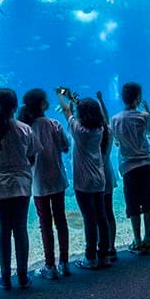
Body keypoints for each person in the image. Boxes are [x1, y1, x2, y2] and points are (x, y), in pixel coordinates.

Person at [0, 88, 42, 290]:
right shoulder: (25, 129)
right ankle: (23, 277)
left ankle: (5, 277)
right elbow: (32, 155)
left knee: (3, 231)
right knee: (20, 229)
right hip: (21, 186)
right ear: (16, 106)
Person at [17, 88, 70, 280]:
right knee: (61, 220)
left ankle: (50, 266)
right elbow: (65, 147)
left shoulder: (25, 127)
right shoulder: (54, 124)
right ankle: (64, 263)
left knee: (45, 224)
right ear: (43, 104)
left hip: (38, 183)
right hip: (57, 179)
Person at [57, 90, 110, 269]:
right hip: (99, 179)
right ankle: (104, 254)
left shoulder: (78, 130)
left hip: (84, 182)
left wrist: (60, 95)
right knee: (101, 217)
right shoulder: (100, 129)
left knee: (89, 218)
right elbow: (84, 113)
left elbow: (67, 112)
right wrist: (74, 99)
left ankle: (90, 257)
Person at [111, 82, 150, 255]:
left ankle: (137, 240)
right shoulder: (144, 116)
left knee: (133, 203)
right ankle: (148, 238)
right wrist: (149, 114)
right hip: (147, 164)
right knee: (148, 203)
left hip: (129, 167)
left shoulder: (115, 119)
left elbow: (116, 141)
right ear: (138, 98)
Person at [96, 91, 118, 261]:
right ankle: (111, 246)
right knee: (108, 211)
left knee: (97, 214)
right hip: (108, 176)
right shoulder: (108, 133)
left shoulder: (88, 134)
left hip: (93, 179)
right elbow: (107, 119)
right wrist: (101, 100)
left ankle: (99, 245)